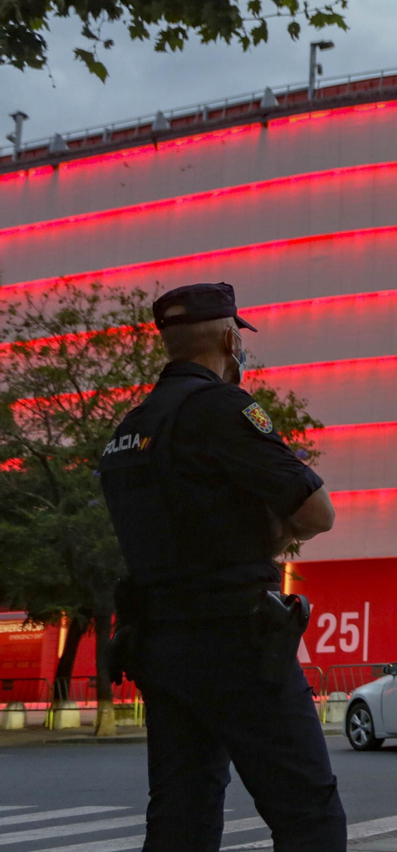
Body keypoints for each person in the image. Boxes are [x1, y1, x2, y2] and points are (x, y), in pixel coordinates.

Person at [98, 283, 345, 851]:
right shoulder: (223, 409)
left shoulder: (130, 429)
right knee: (308, 812)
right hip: (237, 641)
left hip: (158, 642)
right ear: (232, 340)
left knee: (182, 813)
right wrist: (275, 533)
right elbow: (318, 512)